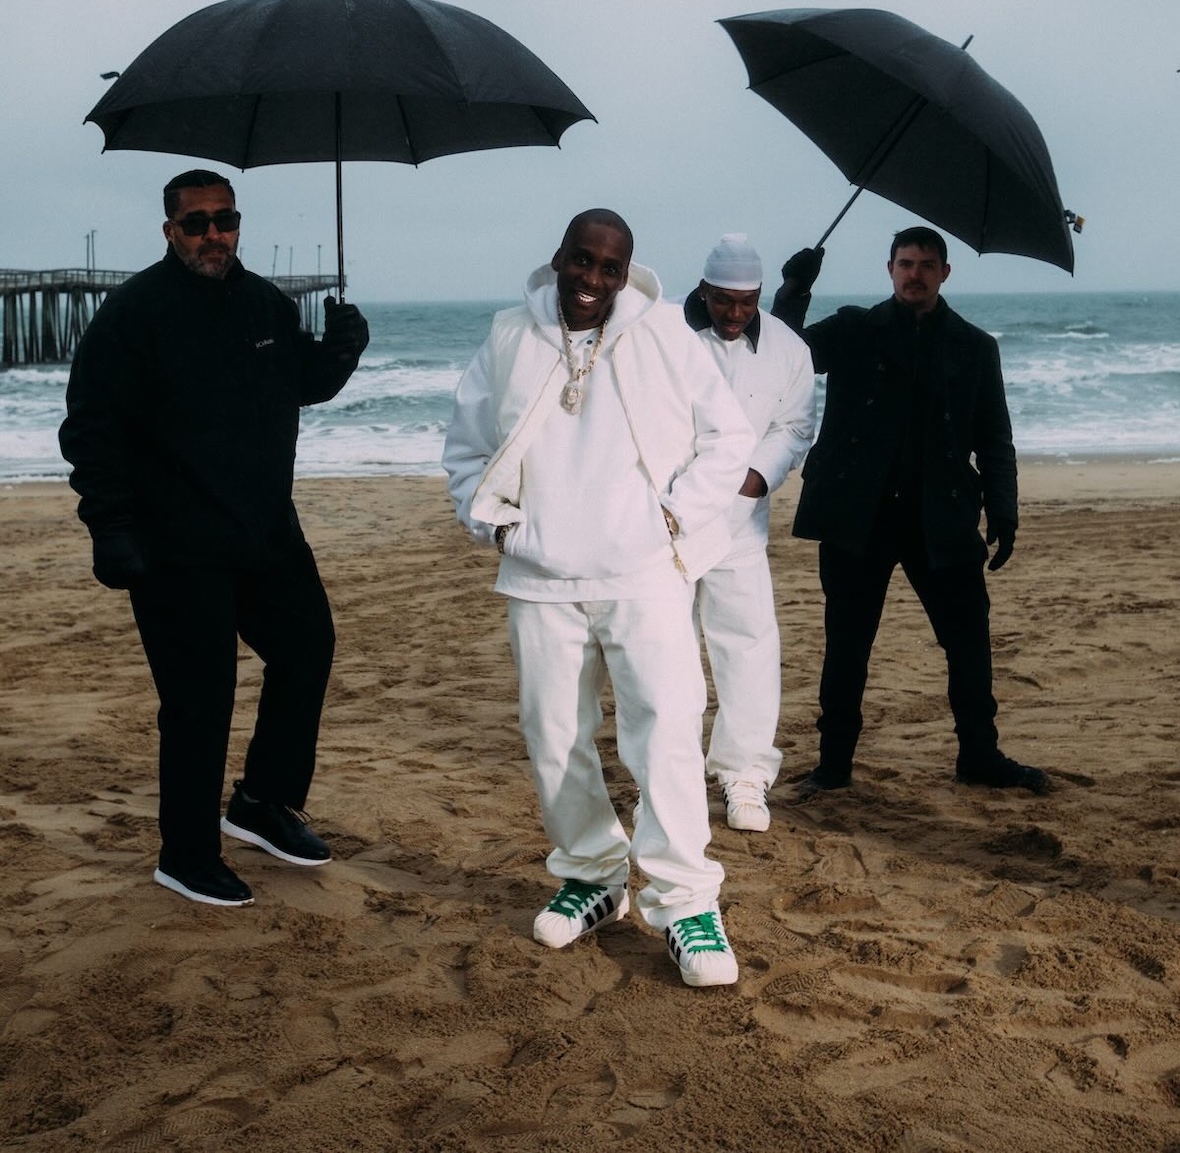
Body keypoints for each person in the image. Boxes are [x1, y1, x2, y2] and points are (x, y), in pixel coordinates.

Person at [443, 209, 755, 988]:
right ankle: (593, 872)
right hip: (540, 575)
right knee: (553, 733)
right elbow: (466, 443)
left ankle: (685, 900)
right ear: (558, 258)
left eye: (609, 268)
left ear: (626, 273)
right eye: (581, 261)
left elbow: (729, 437)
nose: (592, 280)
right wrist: (497, 529)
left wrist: (674, 514)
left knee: (667, 733)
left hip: (644, 573)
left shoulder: (662, 336)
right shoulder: (510, 335)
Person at [59, 168, 370, 907]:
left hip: (265, 533)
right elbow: (90, 426)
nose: (212, 235)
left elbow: (297, 382)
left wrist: (341, 351)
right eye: (195, 222)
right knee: (201, 696)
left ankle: (262, 802)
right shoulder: (134, 314)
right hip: (173, 543)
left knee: (307, 645)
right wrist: (110, 528)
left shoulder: (264, 302)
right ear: (169, 230)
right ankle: (186, 853)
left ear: (238, 224)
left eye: (224, 220)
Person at [772, 227, 1048, 795]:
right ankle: (834, 765)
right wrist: (793, 288)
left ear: (945, 273)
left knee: (968, 638)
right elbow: (780, 356)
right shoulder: (854, 330)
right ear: (889, 268)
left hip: (939, 516)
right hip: (858, 514)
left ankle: (979, 754)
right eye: (905, 263)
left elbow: (994, 437)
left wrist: (1004, 511)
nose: (914, 274)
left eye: (926, 264)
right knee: (847, 642)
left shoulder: (974, 347)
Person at [683, 234, 815, 832]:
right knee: (670, 652)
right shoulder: (664, 337)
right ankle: (674, 774)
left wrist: (758, 477)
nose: (736, 314)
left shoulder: (787, 346)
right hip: (671, 519)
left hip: (740, 522)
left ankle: (745, 776)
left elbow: (794, 425)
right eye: (724, 302)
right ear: (704, 289)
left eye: (749, 302)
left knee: (748, 645)